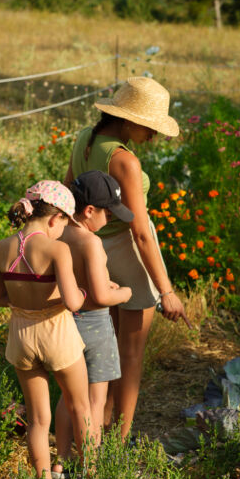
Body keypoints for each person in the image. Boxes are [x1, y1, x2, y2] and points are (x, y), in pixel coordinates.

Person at [65, 76, 190, 440]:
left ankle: (97, 428)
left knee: (104, 348)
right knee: (131, 356)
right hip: (128, 253)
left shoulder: (84, 140)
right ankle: (118, 443)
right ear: (128, 120)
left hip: (94, 249)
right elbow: (139, 230)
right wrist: (166, 291)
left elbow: (70, 195)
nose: (155, 135)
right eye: (150, 126)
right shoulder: (125, 161)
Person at [0, 180, 93, 479]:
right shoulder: (57, 248)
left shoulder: (1, 247)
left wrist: (25, 303)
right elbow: (74, 302)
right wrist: (83, 293)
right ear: (54, 217)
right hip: (57, 333)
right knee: (80, 408)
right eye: (65, 222)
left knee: (37, 419)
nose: (64, 229)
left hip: (21, 335)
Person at [52, 170, 134, 479]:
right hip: (96, 326)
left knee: (68, 396)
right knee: (95, 402)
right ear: (89, 211)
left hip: (64, 323)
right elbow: (99, 295)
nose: (110, 219)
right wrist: (124, 292)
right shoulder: (91, 242)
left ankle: (59, 461)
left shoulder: (59, 235)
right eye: (107, 212)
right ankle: (91, 470)